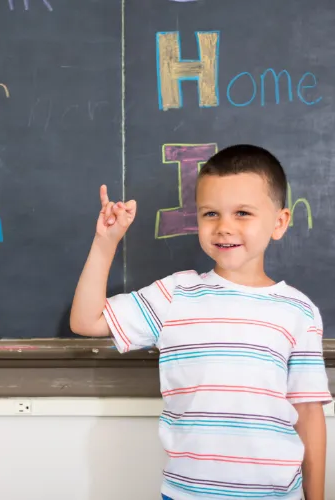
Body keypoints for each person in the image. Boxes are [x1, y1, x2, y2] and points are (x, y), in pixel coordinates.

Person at [70, 144, 332, 500]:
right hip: (187, 494)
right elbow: (86, 321)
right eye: (210, 213)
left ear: (279, 222)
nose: (224, 227)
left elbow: (308, 413)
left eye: (242, 213)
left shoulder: (298, 311)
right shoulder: (176, 293)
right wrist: (106, 242)